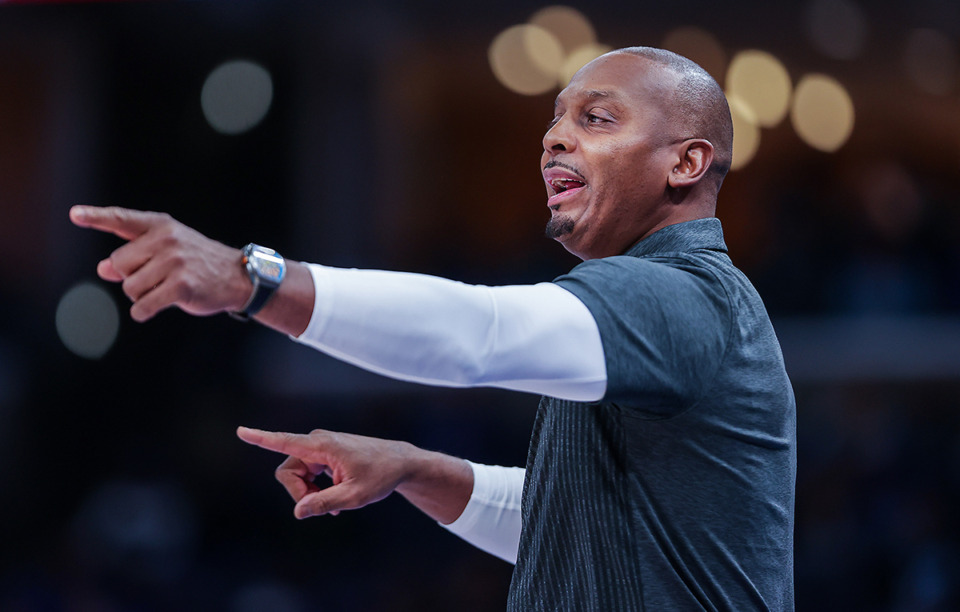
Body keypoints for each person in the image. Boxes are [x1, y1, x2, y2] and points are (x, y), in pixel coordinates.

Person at [71, 46, 796, 610]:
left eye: (594, 119)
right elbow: (564, 528)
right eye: (556, 119)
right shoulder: (648, 313)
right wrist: (417, 470)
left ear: (687, 162)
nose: (552, 139)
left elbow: (476, 332)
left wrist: (250, 277)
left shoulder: (683, 296)